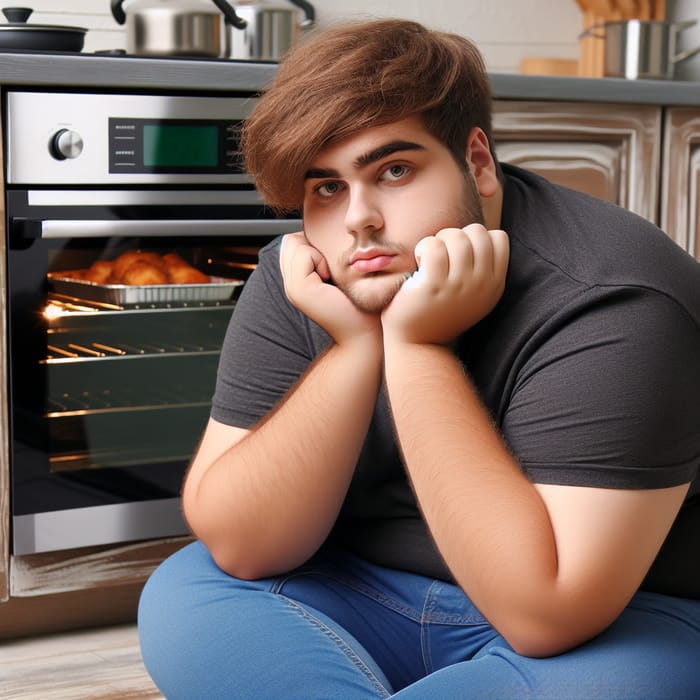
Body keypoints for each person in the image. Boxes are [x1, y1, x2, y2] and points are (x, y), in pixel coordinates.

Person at [138, 18, 700, 699]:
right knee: (188, 591)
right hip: (360, 589)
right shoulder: (308, 276)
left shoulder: (614, 295)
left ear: (478, 162)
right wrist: (355, 346)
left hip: (617, 621)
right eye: (325, 188)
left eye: (394, 170)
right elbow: (243, 544)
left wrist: (418, 346)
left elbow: (546, 613)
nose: (359, 220)